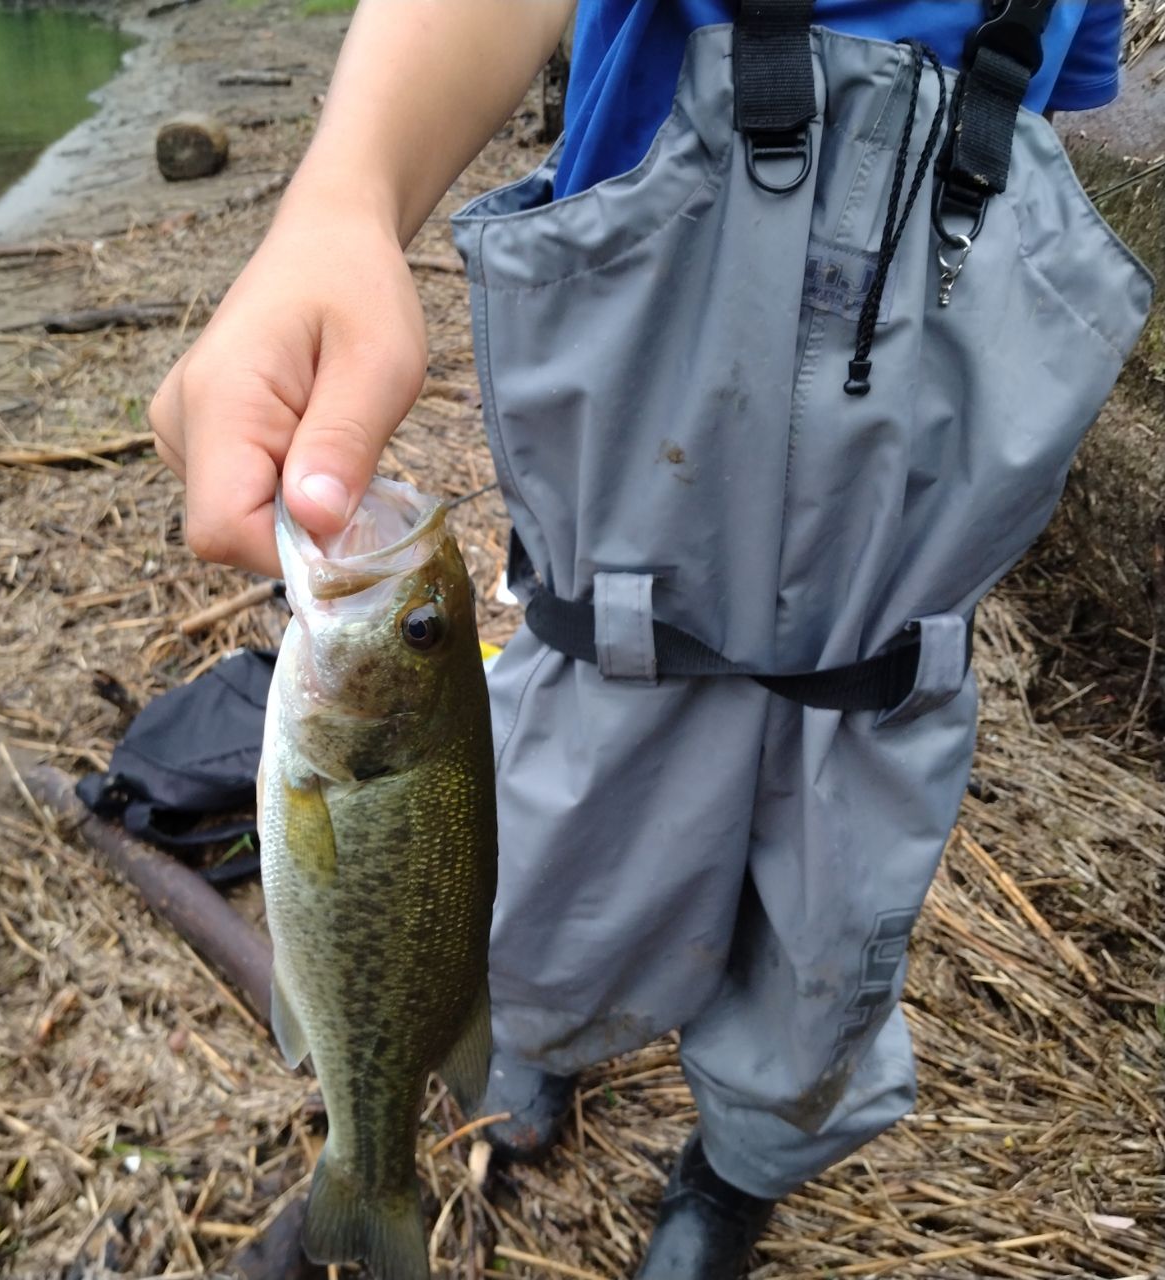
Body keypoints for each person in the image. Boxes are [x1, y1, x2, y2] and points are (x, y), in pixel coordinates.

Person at [151, 3, 1150, 1277]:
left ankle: (736, 1169)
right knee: (547, 877)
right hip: (619, 611)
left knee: (819, 964)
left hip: (883, 635)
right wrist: (344, 198)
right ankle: (520, 1048)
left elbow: (1033, 163)